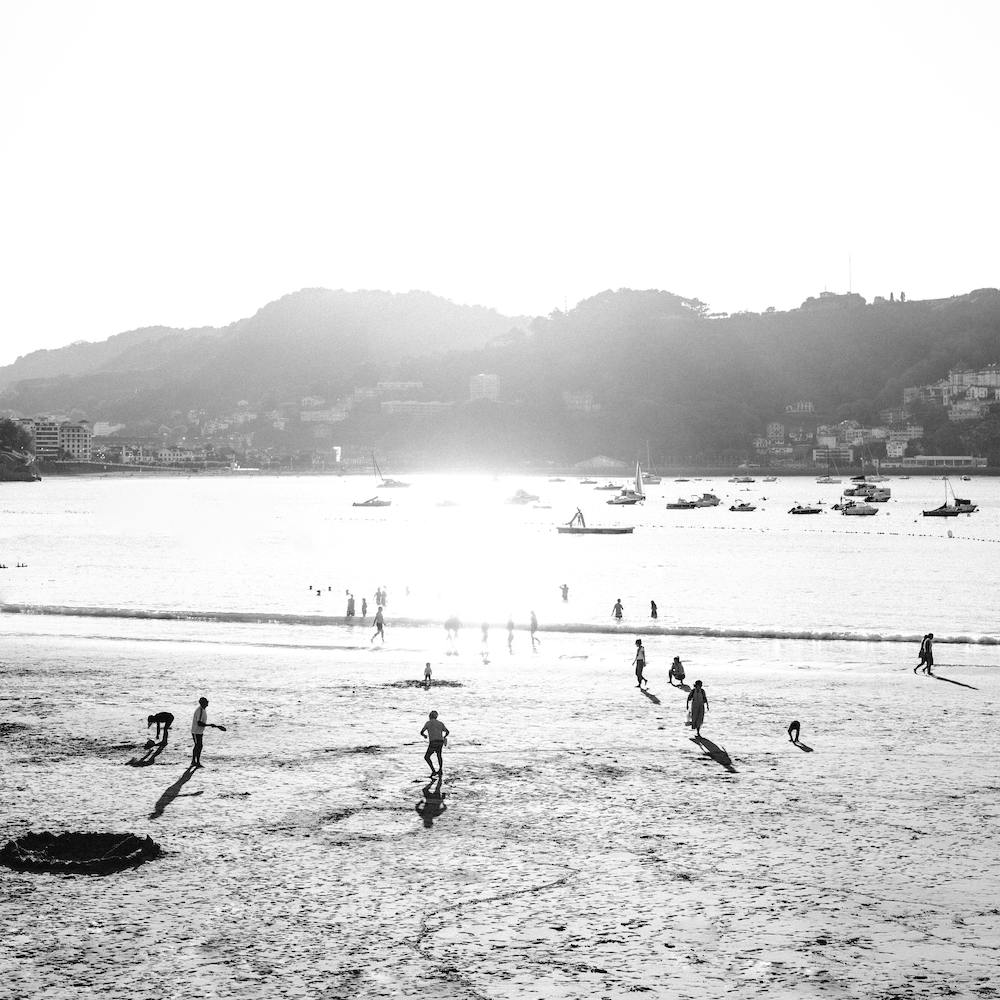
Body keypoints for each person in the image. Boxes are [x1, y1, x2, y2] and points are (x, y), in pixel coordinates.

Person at [190, 697, 225, 769]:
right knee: (197, 746)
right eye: (206, 703)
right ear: (203, 703)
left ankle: (195, 762)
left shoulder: (202, 710)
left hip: (199, 731)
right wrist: (209, 725)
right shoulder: (199, 711)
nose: (207, 704)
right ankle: (195, 762)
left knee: (199, 746)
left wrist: (210, 725)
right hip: (196, 731)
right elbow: (199, 723)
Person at [420, 710, 450, 776]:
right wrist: (444, 737)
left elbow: (421, 732)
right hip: (440, 741)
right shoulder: (440, 723)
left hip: (433, 742)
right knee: (439, 755)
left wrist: (425, 736)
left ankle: (433, 771)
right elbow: (447, 732)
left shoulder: (428, 723)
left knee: (427, 757)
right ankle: (440, 770)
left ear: (430, 716)